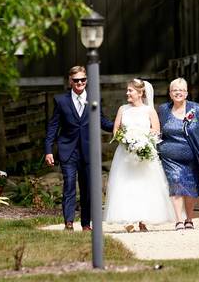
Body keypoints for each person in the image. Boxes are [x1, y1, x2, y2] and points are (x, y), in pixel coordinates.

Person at [44, 65, 114, 231]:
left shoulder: (94, 98)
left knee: (87, 188)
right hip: (68, 150)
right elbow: (53, 126)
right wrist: (48, 150)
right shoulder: (61, 101)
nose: (80, 83)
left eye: (83, 79)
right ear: (70, 81)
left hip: (89, 151)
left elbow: (102, 121)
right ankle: (68, 222)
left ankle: (85, 223)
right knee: (69, 184)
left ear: (86, 81)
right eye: (76, 80)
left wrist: (119, 126)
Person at [103, 79, 175, 231]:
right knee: (126, 184)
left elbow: (156, 130)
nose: (127, 93)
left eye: (130, 90)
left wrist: (143, 142)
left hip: (144, 154)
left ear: (140, 93)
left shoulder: (149, 110)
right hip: (125, 154)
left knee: (144, 185)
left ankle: (143, 220)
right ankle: (128, 220)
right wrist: (126, 140)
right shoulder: (123, 109)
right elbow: (116, 130)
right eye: (127, 90)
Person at [157, 77, 199, 230]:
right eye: (174, 90)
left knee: (191, 188)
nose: (178, 93)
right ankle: (178, 220)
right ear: (170, 93)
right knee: (175, 183)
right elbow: (157, 130)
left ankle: (189, 219)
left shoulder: (196, 109)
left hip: (193, 156)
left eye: (181, 90)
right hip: (170, 157)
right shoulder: (163, 110)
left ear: (186, 93)